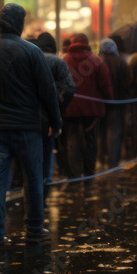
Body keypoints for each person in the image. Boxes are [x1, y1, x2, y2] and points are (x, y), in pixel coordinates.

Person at [0, 4, 61, 247]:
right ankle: (34, 228)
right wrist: (56, 122)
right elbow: (48, 92)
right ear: (19, 25)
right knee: (34, 178)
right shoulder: (32, 52)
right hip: (29, 128)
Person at [59, 33, 112, 178]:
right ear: (87, 43)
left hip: (70, 108)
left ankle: (74, 174)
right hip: (92, 109)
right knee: (91, 141)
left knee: (72, 139)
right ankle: (89, 173)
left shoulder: (65, 60)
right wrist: (108, 100)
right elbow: (105, 85)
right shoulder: (97, 61)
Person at [35, 32, 75, 183]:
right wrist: (59, 110)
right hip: (47, 118)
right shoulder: (57, 62)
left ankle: (28, 189)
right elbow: (70, 88)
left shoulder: (28, 59)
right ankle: (44, 186)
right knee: (46, 153)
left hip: (25, 117)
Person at [99, 38, 130, 167]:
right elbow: (128, 85)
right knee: (114, 133)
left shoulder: (98, 63)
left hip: (101, 104)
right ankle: (113, 161)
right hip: (118, 104)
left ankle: (102, 158)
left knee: (101, 133)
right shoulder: (122, 64)